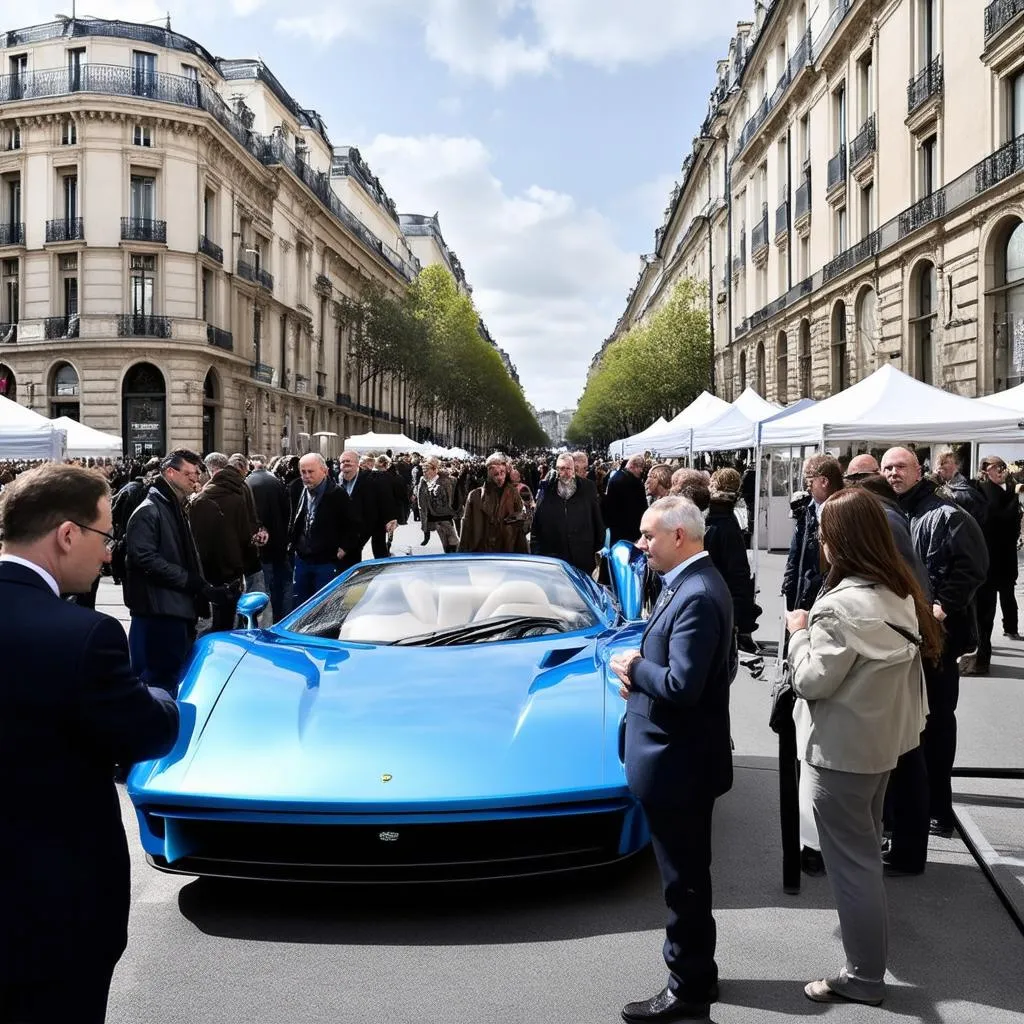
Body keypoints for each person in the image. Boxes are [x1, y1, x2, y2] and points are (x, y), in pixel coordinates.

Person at [0, 463, 179, 1024]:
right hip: (48, 906)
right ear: (68, 534)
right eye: (105, 536)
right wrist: (169, 699)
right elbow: (148, 729)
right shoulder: (84, 636)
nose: (108, 555)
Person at [785, 488, 940, 1006]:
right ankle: (868, 967)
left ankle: (864, 976)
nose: (820, 542)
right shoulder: (896, 591)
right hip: (880, 746)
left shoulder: (839, 606)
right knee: (865, 859)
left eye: (825, 533)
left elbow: (810, 681)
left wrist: (798, 633)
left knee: (853, 867)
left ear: (842, 540)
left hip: (840, 751)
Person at [611, 496, 734, 1023]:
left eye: (648, 535)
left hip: (678, 763)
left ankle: (687, 991)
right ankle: (698, 973)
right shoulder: (690, 583)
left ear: (679, 536)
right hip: (678, 756)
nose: (641, 544)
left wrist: (636, 669)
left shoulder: (698, 592)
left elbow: (684, 685)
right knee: (686, 878)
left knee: (682, 883)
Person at [881, 446, 988, 839]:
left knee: (937, 723)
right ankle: (912, 809)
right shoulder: (893, 512)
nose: (893, 473)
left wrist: (943, 605)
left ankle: (939, 808)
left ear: (918, 469)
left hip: (938, 641)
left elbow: (973, 565)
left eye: (900, 467)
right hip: (902, 635)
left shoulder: (945, 513)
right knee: (907, 727)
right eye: (887, 468)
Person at [123, 449, 221, 698]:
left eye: (197, 474)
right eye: (189, 474)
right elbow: (143, 557)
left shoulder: (173, 505)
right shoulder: (150, 508)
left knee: (170, 681)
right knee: (156, 683)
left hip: (174, 610)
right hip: (159, 612)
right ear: (170, 472)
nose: (195, 480)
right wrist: (188, 580)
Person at [189, 453, 259, 631]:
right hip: (232, 570)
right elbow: (246, 535)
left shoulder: (200, 500)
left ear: (212, 472)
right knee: (228, 619)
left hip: (208, 570)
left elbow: (194, 540)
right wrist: (248, 565)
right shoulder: (238, 493)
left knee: (210, 620)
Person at [972, 455, 1024, 672]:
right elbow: (994, 515)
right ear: (985, 470)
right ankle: (982, 652)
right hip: (989, 557)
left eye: (1002, 466)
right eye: (996, 467)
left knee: (1007, 593)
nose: (1001, 470)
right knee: (986, 607)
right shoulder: (982, 489)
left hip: (1006, 555)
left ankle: (1010, 627)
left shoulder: (1008, 487)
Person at [289, 453, 360, 605]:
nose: (306, 476)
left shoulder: (337, 494)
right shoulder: (297, 489)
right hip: (302, 558)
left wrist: (343, 549)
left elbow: (353, 525)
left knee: (323, 605)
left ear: (324, 471)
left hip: (326, 561)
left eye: (311, 471)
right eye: (303, 472)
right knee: (301, 603)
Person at [530, 452, 605, 575]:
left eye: (568, 468)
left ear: (574, 469)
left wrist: (596, 554)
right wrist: (538, 556)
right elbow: (536, 527)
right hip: (554, 560)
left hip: (583, 559)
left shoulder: (588, 487)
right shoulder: (547, 489)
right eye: (561, 469)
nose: (565, 473)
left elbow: (598, 522)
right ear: (556, 469)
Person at [246, 456, 293, 622]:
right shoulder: (276, 482)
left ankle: (267, 623)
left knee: (263, 588)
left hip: (261, 546)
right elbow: (288, 511)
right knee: (284, 585)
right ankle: (285, 619)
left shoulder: (248, 483)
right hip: (279, 543)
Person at [459, 453, 529, 554]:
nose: (500, 477)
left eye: (503, 473)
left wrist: (518, 520)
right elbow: (466, 528)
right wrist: (462, 554)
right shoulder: (475, 496)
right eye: (496, 474)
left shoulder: (513, 493)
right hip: (482, 551)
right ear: (489, 473)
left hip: (506, 549)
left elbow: (522, 525)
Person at [338, 449, 397, 563]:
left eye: (349, 461)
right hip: (351, 526)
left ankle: (381, 570)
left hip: (372, 521)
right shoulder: (336, 480)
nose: (345, 463)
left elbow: (385, 497)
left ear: (357, 463)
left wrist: (390, 517)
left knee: (379, 549)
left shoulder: (372, 478)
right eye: (343, 461)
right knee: (351, 555)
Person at [602, 454, 649, 546]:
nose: (642, 471)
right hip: (629, 531)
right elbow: (637, 508)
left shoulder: (617, 476)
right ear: (632, 466)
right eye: (640, 467)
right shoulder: (631, 482)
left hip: (616, 529)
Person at [416, 457, 459, 552]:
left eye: (427, 470)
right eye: (423, 470)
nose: (424, 472)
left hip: (445, 516)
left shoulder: (447, 481)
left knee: (453, 540)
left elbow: (454, 499)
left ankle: (455, 556)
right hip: (432, 517)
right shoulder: (423, 481)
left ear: (435, 469)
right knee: (444, 542)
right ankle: (449, 554)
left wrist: (456, 513)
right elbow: (421, 500)